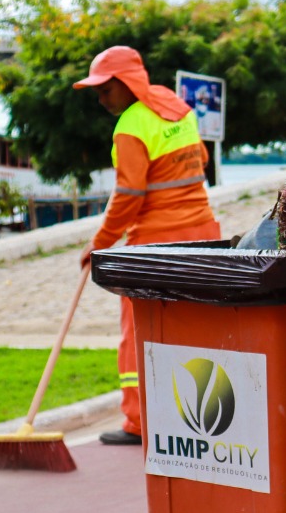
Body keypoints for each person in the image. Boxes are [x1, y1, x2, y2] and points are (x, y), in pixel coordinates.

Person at [74, 46, 222, 446]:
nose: (101, 99)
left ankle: (139, 422)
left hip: (154, 244)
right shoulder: (177, 107)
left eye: (105, 90)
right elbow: (201, 160)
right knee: (195, 325)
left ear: (125, 84)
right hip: (205, 235)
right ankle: (202, 415)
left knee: (138, 331)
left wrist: (100, 244)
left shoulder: (130, 125)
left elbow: (128, 194)